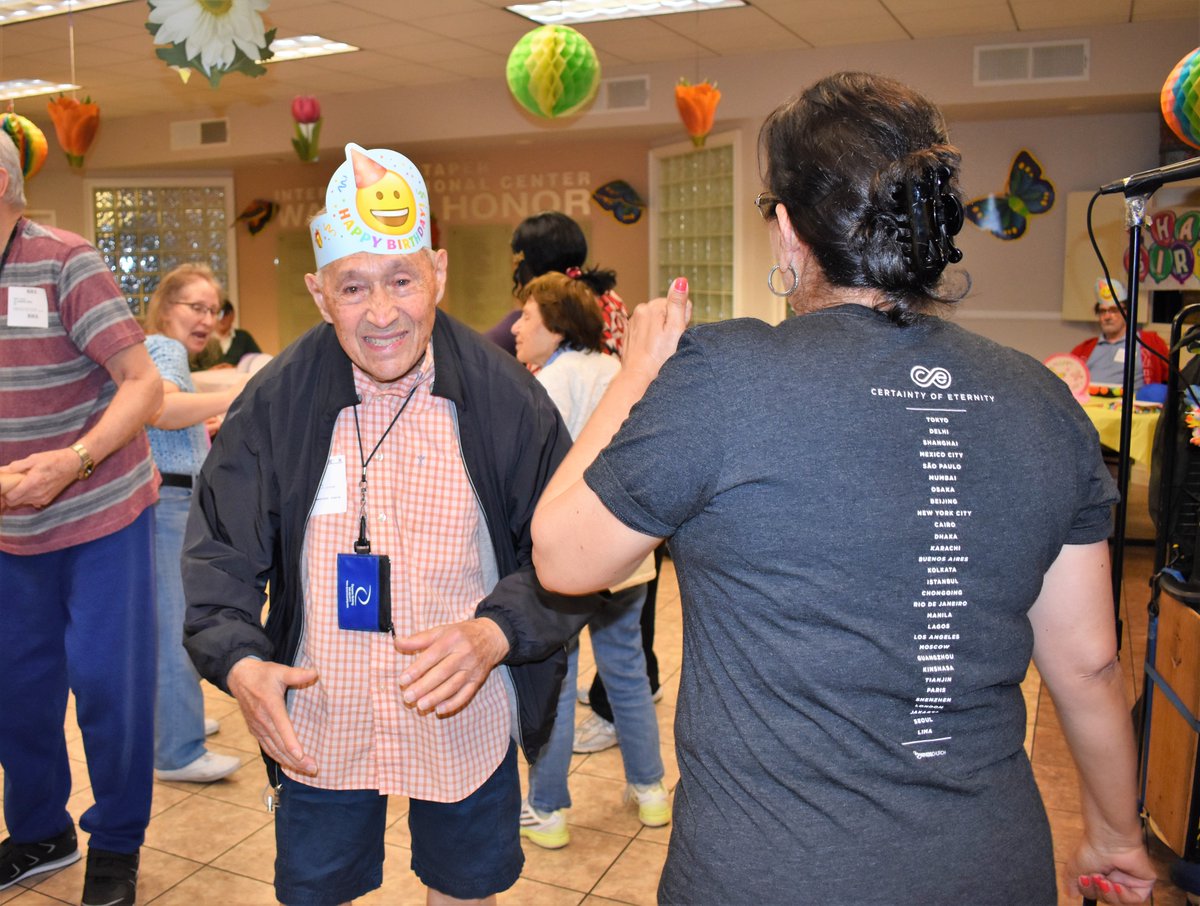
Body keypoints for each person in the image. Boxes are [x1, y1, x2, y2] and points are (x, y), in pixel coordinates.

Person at [531, 72, 1157, 905]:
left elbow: (562, 556)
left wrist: (636, 369)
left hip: (769, 878)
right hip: (987, 868)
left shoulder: (725, 373)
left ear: (788, 232)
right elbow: (1087, 665)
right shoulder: (1041, 398)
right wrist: (1116, 837)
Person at [181, 143, 592, 906]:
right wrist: (239, 661)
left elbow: (571, 556)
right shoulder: (274, 404)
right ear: (317, 290)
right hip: (323, 718)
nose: (381, 314)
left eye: (402, 280)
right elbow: (220, 552)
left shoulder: (508, 401)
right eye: (353, 287)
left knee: (465, 891)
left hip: (465, 712)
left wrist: (496, 631)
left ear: (435, 270)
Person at [0, 131, 162, 906]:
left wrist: (76, 459)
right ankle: (40, 831)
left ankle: (118, 840)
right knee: (15, 688)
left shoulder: (65, 262)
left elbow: (142, 385)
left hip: (100, 512)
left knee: (106, 684)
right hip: (10, 529)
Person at [509, 273, 668, 849]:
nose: (517, 328)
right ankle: (650, 790)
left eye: (526, 317)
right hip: (630, 554)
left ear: (555, 325)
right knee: (626, 670)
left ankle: (548, 810)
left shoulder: (551, 381)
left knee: (559, 675)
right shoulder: (617, 369)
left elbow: (534, 474)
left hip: (572, 561)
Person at [142, 264, 249, 783]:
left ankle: (176, 723)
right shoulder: (164, 350)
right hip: (169, 502)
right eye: (196, 308)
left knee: (172, 622)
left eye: (214, 310)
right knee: (175, 626)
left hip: (169, 499)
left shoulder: (169, 355)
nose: (207, 319)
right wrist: (239, 394)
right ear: (167, 309)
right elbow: (161, 409)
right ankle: (177, 751)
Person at [1071, 277, 1169, 393]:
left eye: (1113, 310)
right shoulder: (1083, 349)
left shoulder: (1150, 342)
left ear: (1126, 312)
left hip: (1130, 408)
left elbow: (1174, 379)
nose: (1107, 317)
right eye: (1103, 311)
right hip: (1088, 407)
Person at [214, 298, 262, 366]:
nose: (222, 318)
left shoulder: (243, 337)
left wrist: (235, 368)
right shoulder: (204, 340)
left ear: (233, 315)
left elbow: (259, 361)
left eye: (226, 314)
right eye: (218, 314)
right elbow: (194, 368)